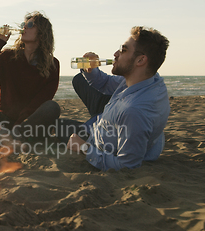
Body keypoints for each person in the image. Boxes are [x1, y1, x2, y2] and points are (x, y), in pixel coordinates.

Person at [59, 26, 170, 171]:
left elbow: (126, 165)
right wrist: (91, 70)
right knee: (59, 124)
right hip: (102, 129)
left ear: (140, 60)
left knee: (53, 129)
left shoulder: (134, 111)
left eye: (123, 50)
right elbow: (104, 83)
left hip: (97, 145)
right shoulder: (148, 79)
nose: (115, 54)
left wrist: (83, 147)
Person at [0, 11, 60, 146]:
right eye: (23, 24)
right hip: (6, 121)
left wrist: (19, 125)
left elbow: (41, 100)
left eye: (30, 24)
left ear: (42, 33)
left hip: (30, 124)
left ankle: (8, 139)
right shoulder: (8, 56)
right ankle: (9, 139)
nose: (24, 27)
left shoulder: (52, 64)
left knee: (52, 107)